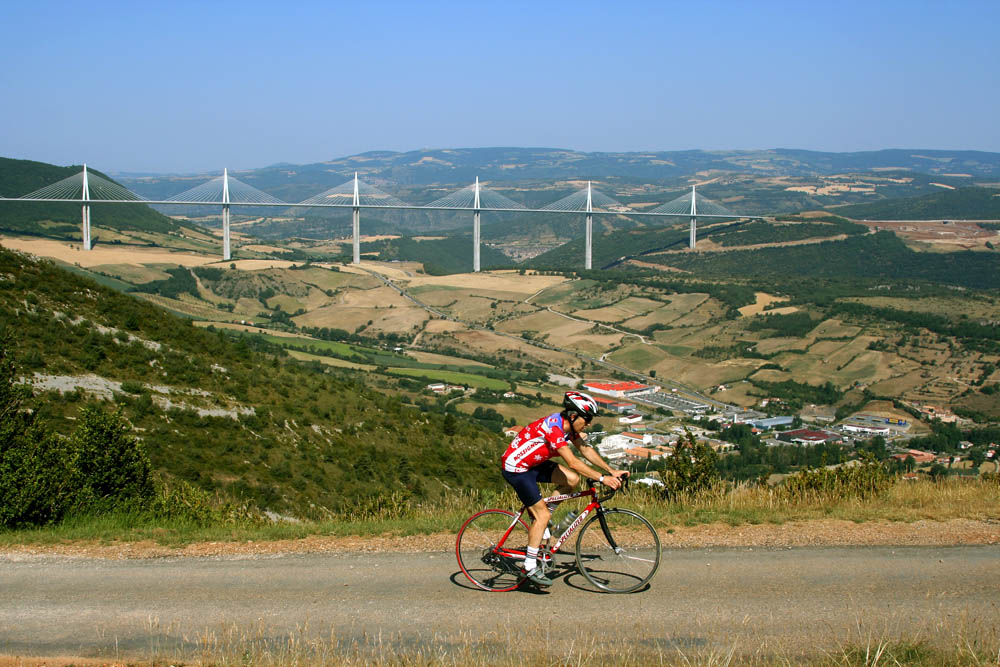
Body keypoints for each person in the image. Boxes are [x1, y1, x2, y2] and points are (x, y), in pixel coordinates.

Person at [500, 390, 627, 587]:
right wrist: (603, 478)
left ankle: (545, 523)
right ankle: (529, 565)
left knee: (572, 480)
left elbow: (585, 450)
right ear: (573, 415)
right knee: (541, 516)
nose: (589, 423)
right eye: (587, 418)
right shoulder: (554, 429)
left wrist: (611, 470)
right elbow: (574, 461)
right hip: (517, 469)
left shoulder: (570, 428)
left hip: (532, 464)